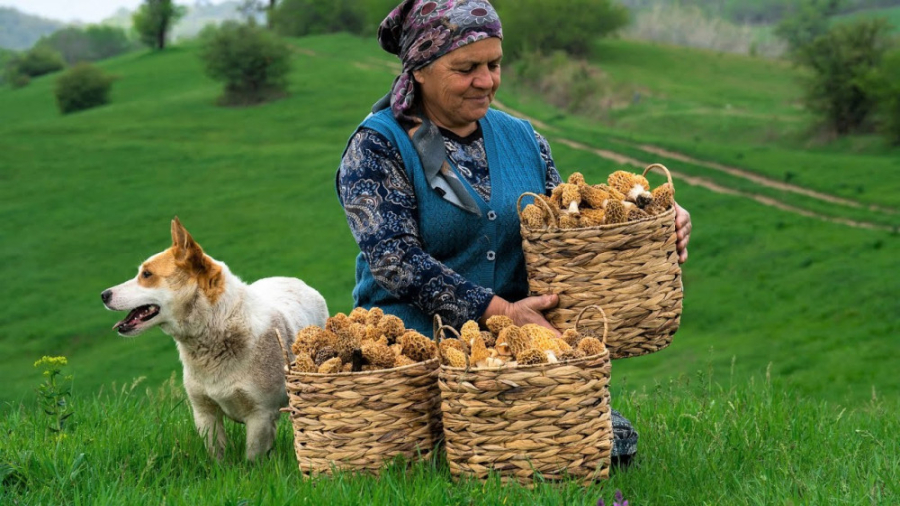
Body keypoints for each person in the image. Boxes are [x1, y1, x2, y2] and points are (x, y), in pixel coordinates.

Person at [336, 0, 692, 465]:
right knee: (436, 454)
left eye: (494, 64)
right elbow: (395, 261)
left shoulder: (523, 138)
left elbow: (565, 225)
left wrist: (650, 220)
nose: (486, 81)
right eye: (467, 68)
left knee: (610, 445)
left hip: (510, 354)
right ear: (419, 70)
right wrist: (501, 310)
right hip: (410, 358)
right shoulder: (377, 146)